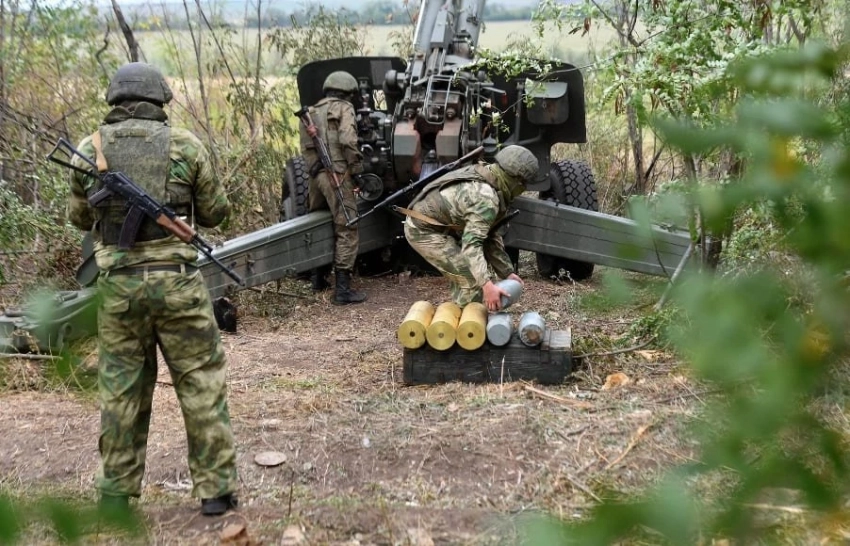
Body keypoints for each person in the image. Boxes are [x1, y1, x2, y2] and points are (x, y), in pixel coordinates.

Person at [66, 62, 239, 517]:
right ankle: (216, 491)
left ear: (115, 99)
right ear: (159, 99)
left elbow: (79, 218)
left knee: (121, 389)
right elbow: (216, 211)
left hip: (118, 291)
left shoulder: (89, 148)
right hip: (177, 283)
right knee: (200, 381)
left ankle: (114, 494)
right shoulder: (186, 145)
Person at [402, 145, 544, 312]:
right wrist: (487, 285)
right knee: (470, 279)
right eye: (523, 184)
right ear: (515, 180)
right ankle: (467, 323)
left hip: (439, 226)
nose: (524, 189)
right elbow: (472, 245)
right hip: (423, 230)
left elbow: (490, 236)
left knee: (471, 275)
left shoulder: (493, 179)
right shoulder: (486, 198)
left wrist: (507, 272)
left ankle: (461, 315)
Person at [299, 70, 367, 305]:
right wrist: (356, 170)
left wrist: (315, 170)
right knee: (347, 225)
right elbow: (348, 140)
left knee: (318, 222)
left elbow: (306, 149)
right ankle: (343, 291)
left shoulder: (310, 112)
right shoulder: (343, 108)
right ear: (348, 92)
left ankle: (318, 278)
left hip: (316, 176)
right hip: (336, 174)